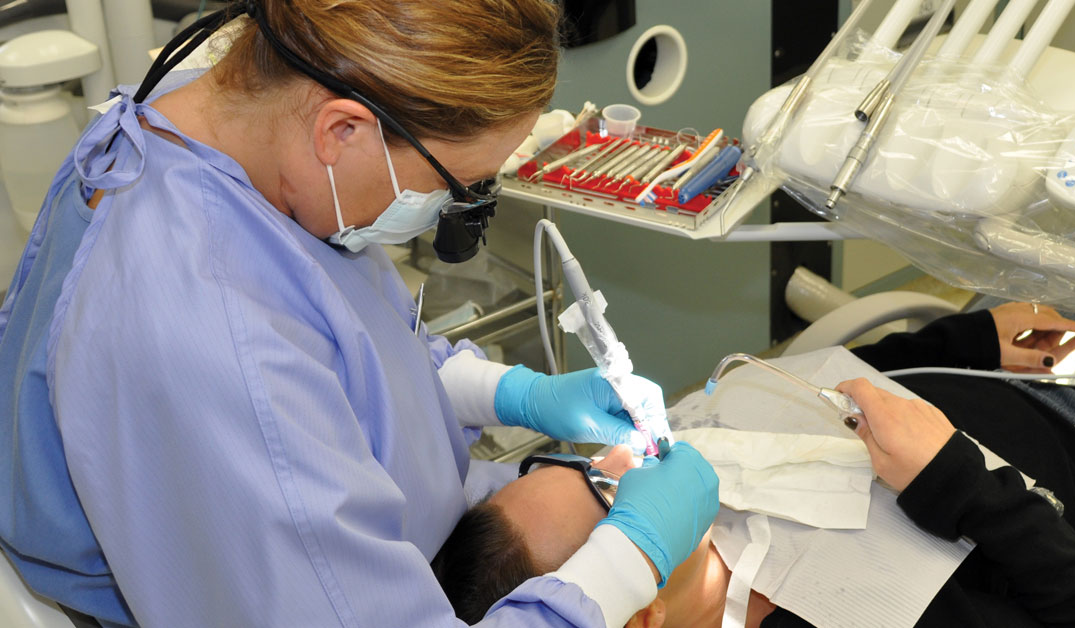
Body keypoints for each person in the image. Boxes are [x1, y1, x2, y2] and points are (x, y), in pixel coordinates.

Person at [0, 1, 719, 626]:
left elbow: (350, 351)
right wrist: (628, 558)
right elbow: (274, 386)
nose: (449, 209)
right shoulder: (210, 331)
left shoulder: (234, 127)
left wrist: (511, 392)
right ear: (341, 131)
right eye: (456, 185)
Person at [430, 186, 1075, 627]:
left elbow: (827, 385)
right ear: (636, 613)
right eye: (612, 495)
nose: (622, 457)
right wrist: (959, 482)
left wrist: (970, 339)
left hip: (999, 359)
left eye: (585, 461)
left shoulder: (698, 478)